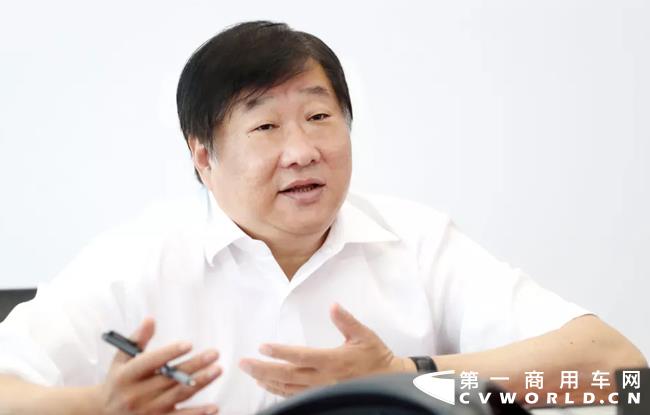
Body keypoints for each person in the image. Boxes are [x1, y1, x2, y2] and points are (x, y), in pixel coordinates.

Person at [0, 20, 646, 415]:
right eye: (265, 127)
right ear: (203, 157)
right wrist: (97, 406)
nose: (303, 150)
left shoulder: (416, 242)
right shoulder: (135, 260)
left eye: (318, 117)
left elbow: (621, 372)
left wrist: (412, 379)